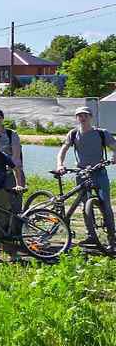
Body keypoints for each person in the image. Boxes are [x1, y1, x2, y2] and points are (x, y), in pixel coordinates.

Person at [57, 106, 116, 250]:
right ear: (77, 118)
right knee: (85, 205)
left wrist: (114, 156)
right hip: (82, 173)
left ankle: (112, 238)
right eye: (79, 116)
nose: (82, 118)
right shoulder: (73, 134)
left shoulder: (101, 133)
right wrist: (60, 164)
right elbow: (63, 150)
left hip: (99, 172)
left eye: (85, 115)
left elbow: (115, 147)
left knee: (105, 204)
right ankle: (91, 235)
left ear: (90, 117)